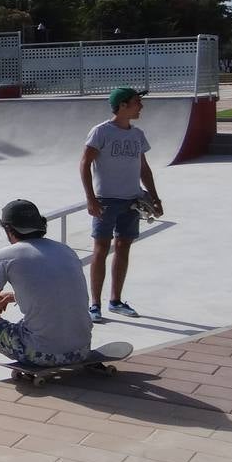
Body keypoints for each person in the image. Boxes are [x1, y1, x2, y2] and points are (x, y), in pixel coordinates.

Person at [0, 199, 92, 383]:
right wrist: (12, 296)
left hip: (41, 353)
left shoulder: (4, 257)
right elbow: (58, 292)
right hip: (81, 349)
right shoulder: (66, 250)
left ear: (8, 229)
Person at [80, 87, 163, 322]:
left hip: (132, 200)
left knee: (124, 246)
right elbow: (84, 164)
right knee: (101, 249)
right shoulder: (101, 132)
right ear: (123, 105)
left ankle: (115, 301)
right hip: (106, 200)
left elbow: (143, 168)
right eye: (137, 102)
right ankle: (94, 304)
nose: (141, 106)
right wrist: (90, 198)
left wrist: (154, 197)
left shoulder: (137, 135)